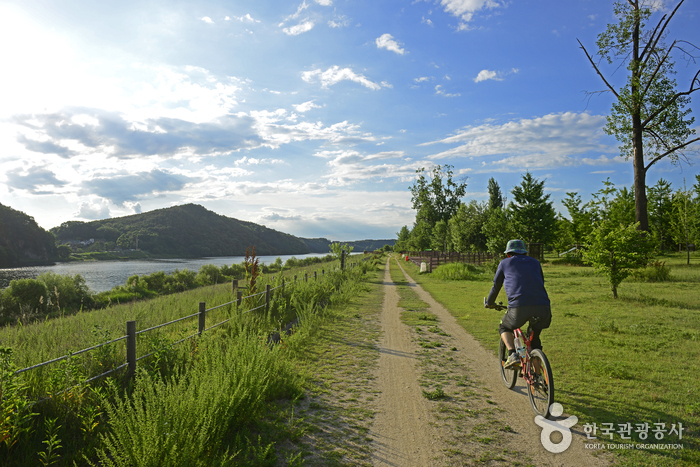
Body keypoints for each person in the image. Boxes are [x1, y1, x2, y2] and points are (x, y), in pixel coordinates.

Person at [485, 239, 551, 369]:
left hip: (519, 307)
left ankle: (512, 354)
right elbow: (541, 282)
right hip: (543, 307)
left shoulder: (504, 263)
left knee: (504, 327)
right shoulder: (536, 262)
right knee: (534, 338)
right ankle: (538, 373)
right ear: (525, 253)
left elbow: (496, 285)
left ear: (508, 254)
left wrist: (490, 302)